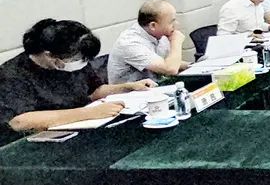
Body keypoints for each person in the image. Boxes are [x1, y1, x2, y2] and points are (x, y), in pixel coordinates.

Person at [0, 19, 157, 133]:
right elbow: (19, 122)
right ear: (49, 56)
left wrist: (127, 87)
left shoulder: (75, 61)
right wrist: (89, 113)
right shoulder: (13, 75)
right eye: (76, 59)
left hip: (83, 127)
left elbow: (93, 91)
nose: (81, 63)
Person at [107, 0, 191, 84]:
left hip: (155, 87)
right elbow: (170, 69)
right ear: (153, 26)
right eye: (171, 22)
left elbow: (169, 62)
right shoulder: (130, 43)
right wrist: (176, 42)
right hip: (132, 91)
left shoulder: (159, 34)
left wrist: (192, 66)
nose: (176, 25)